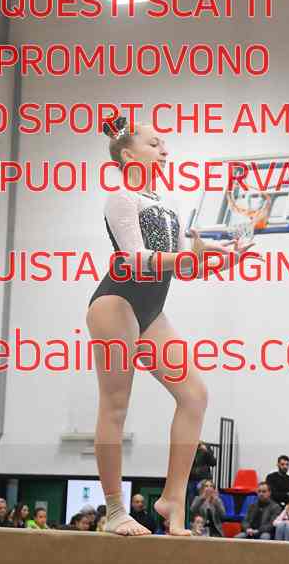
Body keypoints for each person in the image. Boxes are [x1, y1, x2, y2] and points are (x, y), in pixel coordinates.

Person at [86, 117, 254, 537]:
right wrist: (190, 257)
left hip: (151, 311)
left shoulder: (165, 202)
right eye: (154, 143)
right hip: (117, 303)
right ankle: (115, 510)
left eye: (165, 144)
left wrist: (224, 256)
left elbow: (183, 264)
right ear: (128, 155)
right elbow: (135, 259)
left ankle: (173, 498)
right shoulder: (121, 197)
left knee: (194, 395)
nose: (165, 150)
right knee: (115, 405)